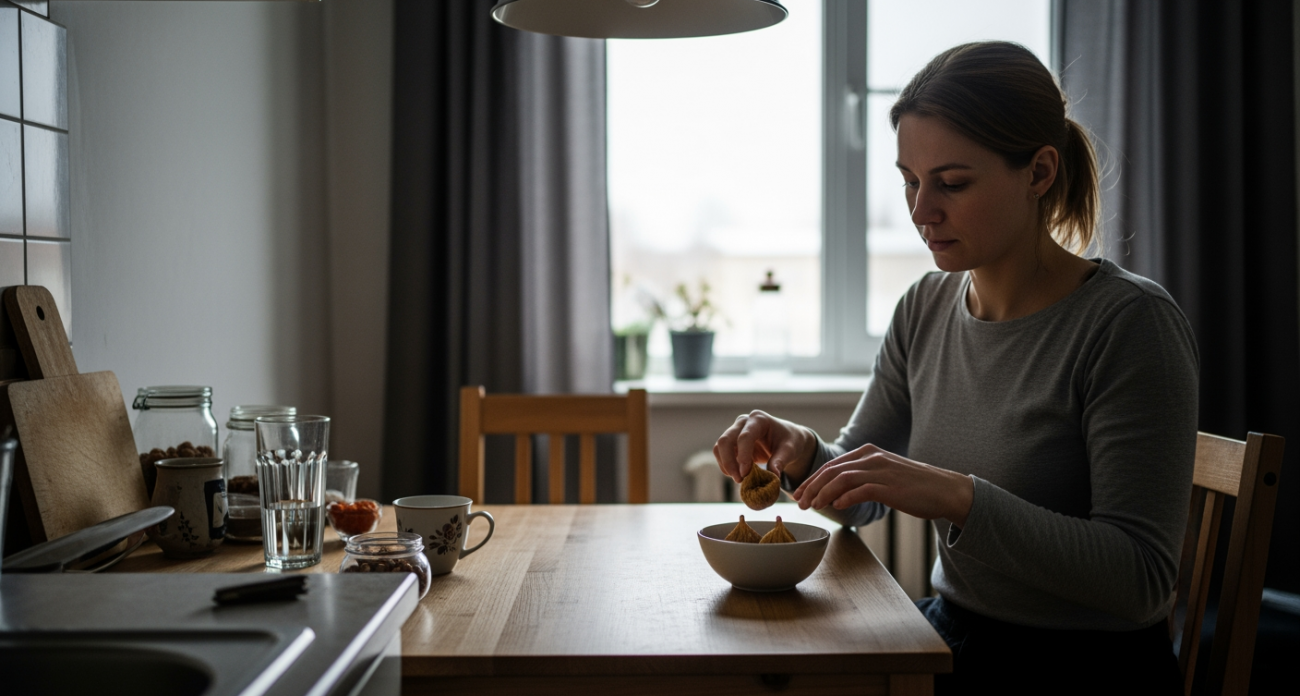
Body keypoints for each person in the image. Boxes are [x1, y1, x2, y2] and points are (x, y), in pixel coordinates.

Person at [713, 41, 1197, 695]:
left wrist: (956, 497)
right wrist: (802, 452)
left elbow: (1141, 580)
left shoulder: (1130, 325)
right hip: (951, 634)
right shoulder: (925, 306)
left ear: (1039, 172)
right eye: (910, 181)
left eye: (952, 183)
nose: (920, 211)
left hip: (1086, 669)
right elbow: (861, 490)